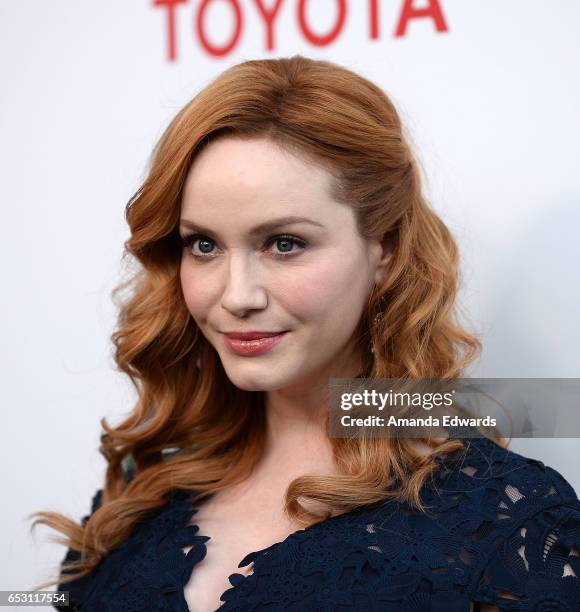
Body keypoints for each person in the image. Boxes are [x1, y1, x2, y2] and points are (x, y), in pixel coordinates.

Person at [32, 55, 580, 611]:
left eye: (285, 243)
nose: (237, 295)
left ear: (384, 249)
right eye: (204, 244)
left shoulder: (504, 521)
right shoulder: (146, 490)